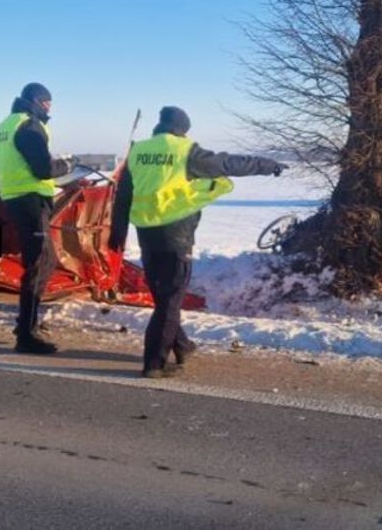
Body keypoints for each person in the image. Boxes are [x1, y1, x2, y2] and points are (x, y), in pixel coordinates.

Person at [111, 106, 285, 378]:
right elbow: (228, 164)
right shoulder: (185, 151)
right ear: (182, 129)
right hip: (175, 235)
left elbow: (122, 196)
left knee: (164, 297)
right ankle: (154, 363)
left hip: (146, 233)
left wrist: (117, 234)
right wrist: (266, 165)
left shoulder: (138, 151)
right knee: (169, 302)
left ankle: (182, 345)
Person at [0, 83, 75, 354]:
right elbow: (42, 168)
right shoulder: (29, 126)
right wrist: (67, 165)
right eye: (47, 103)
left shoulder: (4, 125)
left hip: (14, 197)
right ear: (37, 101)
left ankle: (25, 324)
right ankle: (27, 335)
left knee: (43, 260)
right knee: (40, 263)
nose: (49, 108)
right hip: (31, 199)